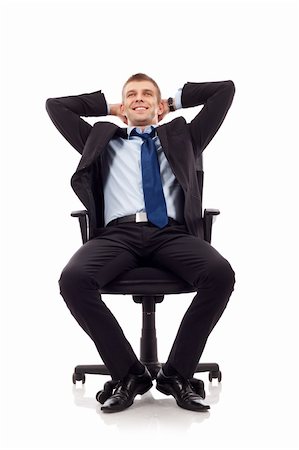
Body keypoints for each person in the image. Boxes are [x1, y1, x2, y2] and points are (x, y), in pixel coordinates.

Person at [45, 73, 236, 413]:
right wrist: (108, 106)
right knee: (72, 281)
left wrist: (174, 102)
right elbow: (55, 107)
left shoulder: (184, 137)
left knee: (221, 274)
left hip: (172, 234)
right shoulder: (100, 139)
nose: (139, 98)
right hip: (117, 236)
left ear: (158, 105)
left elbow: (225, 91)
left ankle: (177, 374)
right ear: (124, 106)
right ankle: (128, 373)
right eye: (131, 94)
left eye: (148, 93)